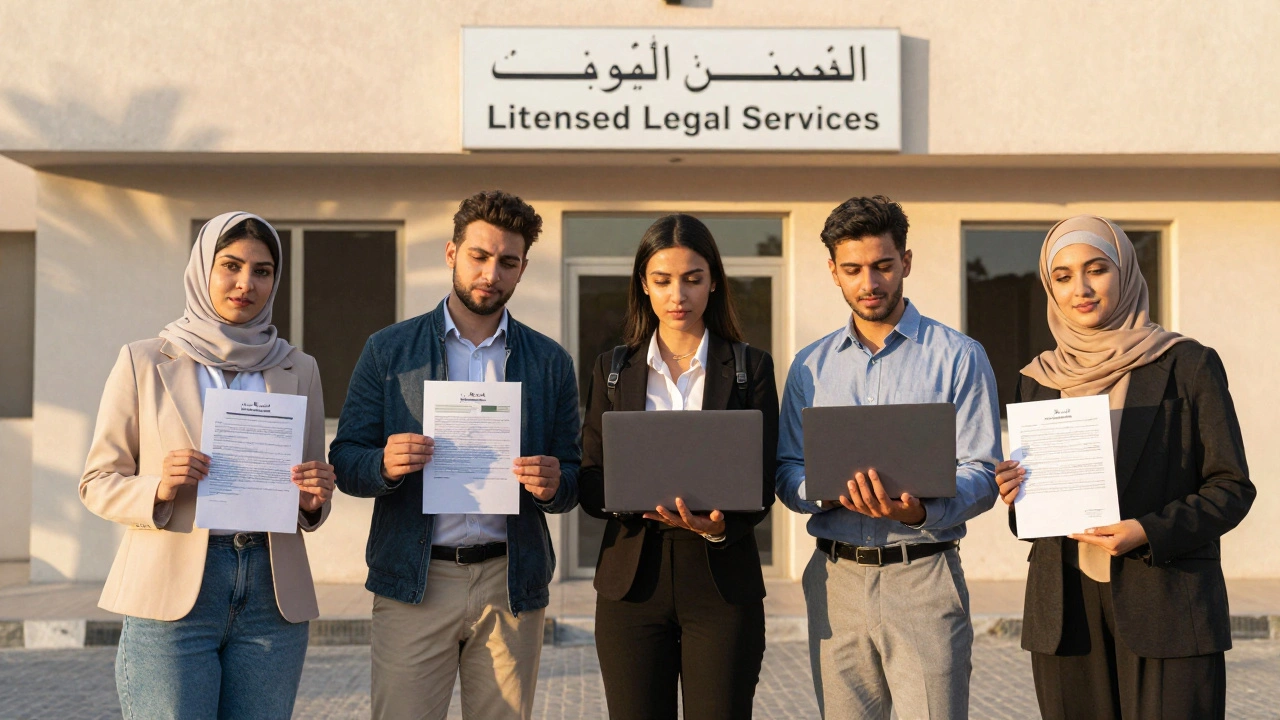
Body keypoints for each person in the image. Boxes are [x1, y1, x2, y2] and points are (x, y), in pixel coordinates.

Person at [329, 190, 581, 720]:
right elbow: (346, 459)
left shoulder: (549, 362)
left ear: (522, 269)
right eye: (479, 256)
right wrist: (382, 465)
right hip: (415, 581)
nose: (491, 273)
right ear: (451, 253)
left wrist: (556, 484)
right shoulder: (388, 350)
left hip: (510, 580)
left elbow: (575, 474)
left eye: (507, 263)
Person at [994, 216, 1255, 720]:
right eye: (1064, 276)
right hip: (1066, 610)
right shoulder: (1039, 379)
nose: (1081, 289)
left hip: (1168, 599)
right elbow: (1032, 519)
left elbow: (1232, 486)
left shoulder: (1187, 364)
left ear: (1127, 272)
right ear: (1050, 287)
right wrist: (1015, 496)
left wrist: (1147, 530)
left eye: (1097, 269)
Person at [80, 212, 335, 719]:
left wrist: (312, 500)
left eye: (262, 271)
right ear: (202, 269)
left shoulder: (298, 368)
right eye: (231, 266)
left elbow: (309, 492)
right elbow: (97, 482)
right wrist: (158, 487)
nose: (246, 283)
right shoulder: (144, 360)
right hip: (172, 593)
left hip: (271, 594)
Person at [775, 196, 1001, 719]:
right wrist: (821, 489)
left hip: (924, 576)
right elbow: (787, 469)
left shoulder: (960, 356)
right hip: (836, 582)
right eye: (852, 269)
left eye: (882, 266)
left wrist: (919, 512)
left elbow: (983, 473)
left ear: (906, 262)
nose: (869, 283)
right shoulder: (810, 366)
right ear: (833, 271)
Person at [578, 214, 778, 720]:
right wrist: (626, 494)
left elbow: (761, 478)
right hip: (631, 581)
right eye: (663, 281)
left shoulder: (749, 367)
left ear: (713, 282)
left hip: (720, 579)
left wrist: (718, 525)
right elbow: (591, 474)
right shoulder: (613, 368)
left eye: (692, 279)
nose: (678, 295)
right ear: (643, 285)